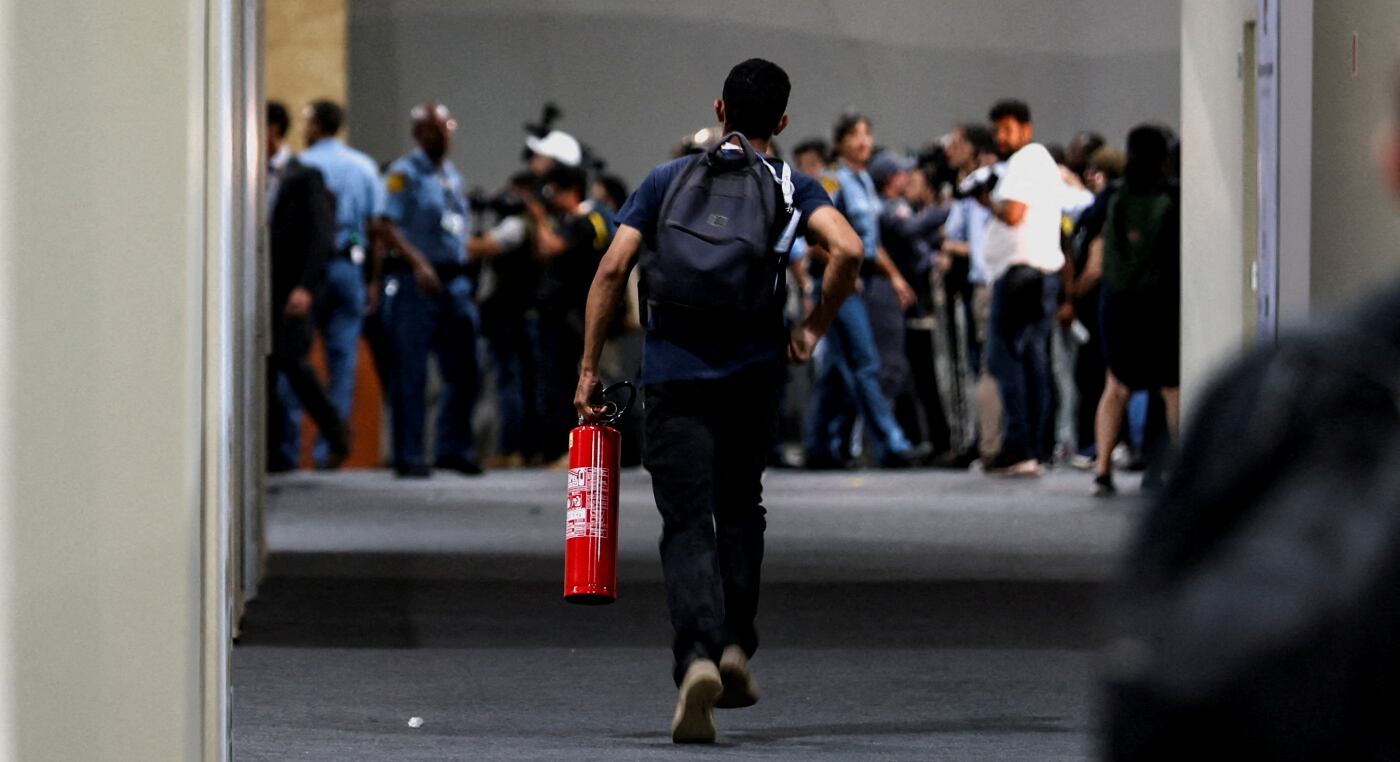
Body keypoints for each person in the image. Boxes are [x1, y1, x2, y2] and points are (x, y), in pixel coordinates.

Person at [573, 58, 863, 745]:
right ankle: (734, 644)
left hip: (674, 376)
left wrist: (588, 369)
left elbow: (612, 269)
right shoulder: (793, 185)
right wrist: (813, 327)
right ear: (782, 122)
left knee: (685, 522)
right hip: (753, 376)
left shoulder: (666, 180)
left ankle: (698, 656)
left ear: (719, 109)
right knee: (739, 508)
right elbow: (849, 250)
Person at [804, 113, 923, 469]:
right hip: (839, 282)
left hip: (862, 279)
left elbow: (870, 241)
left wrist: (895, 277)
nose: (863, 142)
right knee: (866, 362)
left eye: (867, 134)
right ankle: (891, 443)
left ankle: (820, 445)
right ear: (839, 143)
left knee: (837, 371)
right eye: (855, 135)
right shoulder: (833, 180)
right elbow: (813, 236)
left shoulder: (864, 182)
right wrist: (839, 268)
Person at [376, 102, 482, 478]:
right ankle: (408, 454)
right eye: (435, 129)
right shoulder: (402, 174)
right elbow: (384, 224)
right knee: (411, 370)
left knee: (465, 367)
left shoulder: (450, 174)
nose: (443, 136)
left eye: (447, 127)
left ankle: (453, 448)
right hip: (415, 282)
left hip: (454, 282)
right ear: (418, 134)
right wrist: (418, 262)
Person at [291, 99, 383, 469]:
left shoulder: (301, 166)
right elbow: (376, 227)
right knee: (342, 362)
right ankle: (331, 445)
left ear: (316, 126)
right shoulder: (363, 166)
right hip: (349, 267)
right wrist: (373, 280)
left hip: (306, 272)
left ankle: (290, 446)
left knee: (294, 357)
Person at [1091, 125, 1180, 496]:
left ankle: (1102, 469)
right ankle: (1180, 469)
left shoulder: (1114, 194)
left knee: (1116, 386)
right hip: (1161, 301)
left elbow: (1089, 229)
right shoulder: (1174, 195)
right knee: (1171, 389)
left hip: (1118, 301)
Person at [978, 99, 1065, 476]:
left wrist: (986, 201)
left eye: (1007, 129)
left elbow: (1013, 214)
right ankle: (1035, 447)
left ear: (1026, 129)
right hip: (1037, 275)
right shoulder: (1037, 161)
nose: (1000, 136)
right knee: (1032, 361)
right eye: (997, 129)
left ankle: (1018, 446)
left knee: (1006, 358)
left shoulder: (1026, 160)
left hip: (1020, 275)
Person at [264, 101, 348, 473]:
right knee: (266, 368)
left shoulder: (304, 175)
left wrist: (306, 286)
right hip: (264, 288)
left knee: (292, 360)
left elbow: (320, 235)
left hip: (293, 286)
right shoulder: (249, 176)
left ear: (272, 130)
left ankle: (336, 431)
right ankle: (273, 452)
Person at [526, 164, 615, 464]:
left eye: (557, 191)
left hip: (572, 315)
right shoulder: (575, 220)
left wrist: (539, 218)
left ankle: (571, 446)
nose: (552, 198)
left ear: (572, 190)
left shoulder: (587, 220)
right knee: (554, 379)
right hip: (560, 314)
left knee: (566, 380)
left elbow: (551, 247)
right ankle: (557, 446)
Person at [872, 153, 954, 461]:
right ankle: (896, 442)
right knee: (897, 372)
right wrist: (947, 209)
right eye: (902, 174)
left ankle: (912, 439)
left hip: (908, 301)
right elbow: (909, 229)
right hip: (899, 300)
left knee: (910, 374)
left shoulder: (895, 205)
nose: (906, 178)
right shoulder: (889, 207)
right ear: (890, 179)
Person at [469, 171, 541, 468]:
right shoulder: (535, 225)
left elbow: (480, 248)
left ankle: (511, 447)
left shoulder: (517, 225)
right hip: (516, 311)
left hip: (506, 311)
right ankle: (523, 447)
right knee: (519, 379)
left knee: (507, 379)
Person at [941, 123, 1000, 461]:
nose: (951, 149)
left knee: (992, 365)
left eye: (958, 143)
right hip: (976, 286)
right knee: (976, 364)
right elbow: (952, 235)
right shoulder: (965, 189)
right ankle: (981, 439)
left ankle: (993, 442)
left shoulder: (991, 183)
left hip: (991, 282)